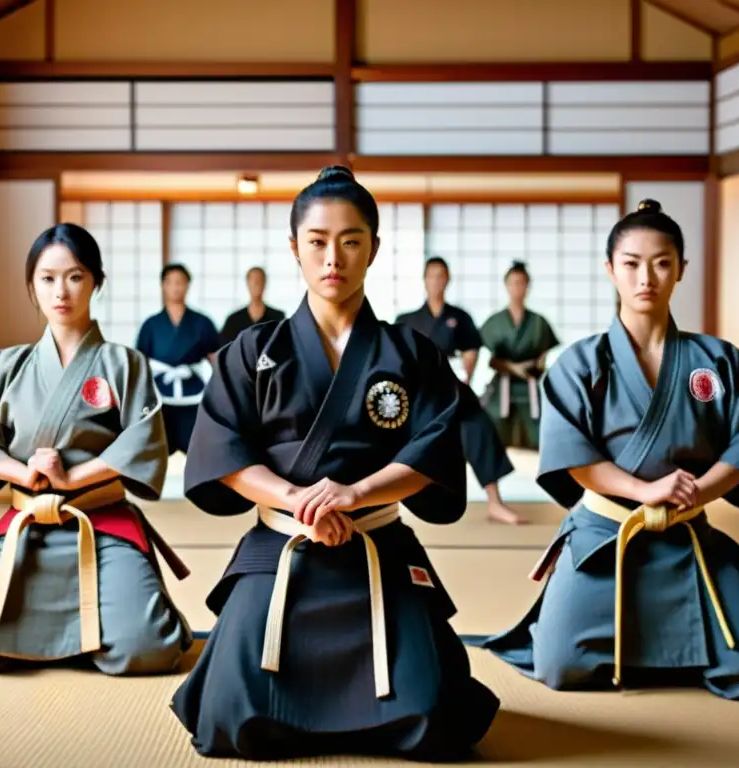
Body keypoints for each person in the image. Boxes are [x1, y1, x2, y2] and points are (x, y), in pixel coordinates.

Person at [170, 166, 500, 760]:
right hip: (282, 543)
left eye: (351, 241)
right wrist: (298, 500)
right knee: (230, 718)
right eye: (317, 242)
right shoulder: (253, 350)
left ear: (373, 248)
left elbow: (434, 448)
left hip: (376, 544)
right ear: (294, 248)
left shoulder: (411, 353)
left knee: (431, 718)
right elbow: (223, 448)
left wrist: (355, 494)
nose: (333, 258)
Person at [470, 199, 739, 701]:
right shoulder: (580, 363)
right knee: (560, 665)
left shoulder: (718, 360)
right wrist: (645, 489)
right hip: (606, 534)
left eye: (662, 262)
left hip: (685, 532)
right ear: (611, 270)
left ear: (681, 270)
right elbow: (573, 459)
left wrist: (696, 493)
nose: (646, 277)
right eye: (631, 263)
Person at [0, 223, 192, 675]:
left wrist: (73, 479)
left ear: (95, 282)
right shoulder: (8, 366)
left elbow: (145, 442)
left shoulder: (123, 364)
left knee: (148, 650)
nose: (61, 291)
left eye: (75, 276)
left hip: (101, 523)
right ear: (32, 286)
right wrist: (23, 474)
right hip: (28, 525)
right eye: (47, 278)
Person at [396, 257, 525, 525]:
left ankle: (494, 501)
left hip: (452, 389)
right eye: (431, 275)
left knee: (476, 423)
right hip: (419, 395)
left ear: (447, 279)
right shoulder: (406, 320)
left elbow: (471, 351)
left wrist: (466, 368)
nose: (436, 281)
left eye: (441, 275)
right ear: (424, 280)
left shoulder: (460, 317)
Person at [134, 264, 222, 455]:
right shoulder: (151, 324)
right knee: (157, 448)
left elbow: (215, 358)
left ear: (187, 285)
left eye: (180, 282)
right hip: (160, 395)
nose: (175, 287)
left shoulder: (202, 322)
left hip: (195, 394)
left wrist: (219, 393)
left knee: (199, 450)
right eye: (171, 282)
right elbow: (140, 362)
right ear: (163, 285)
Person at [480, 262, 560, 450]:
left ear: (528, 286)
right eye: (513, 283)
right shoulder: (494, 321)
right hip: (501, 387)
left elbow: (545, 359)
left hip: (529, 386)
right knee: (493, 433)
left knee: (540, 434)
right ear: (506, 286)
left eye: (521, 283)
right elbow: (487, 359)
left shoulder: (539, 322)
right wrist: (512, 368)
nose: (517, 288)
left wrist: (535, 366)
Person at [219, 266, 286, 345]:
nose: (257, 284)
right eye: (254, 281)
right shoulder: (233, 320)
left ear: (265, 283)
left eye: (260, 281)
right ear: (247, 284)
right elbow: (225, 349)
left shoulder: (278, 317)